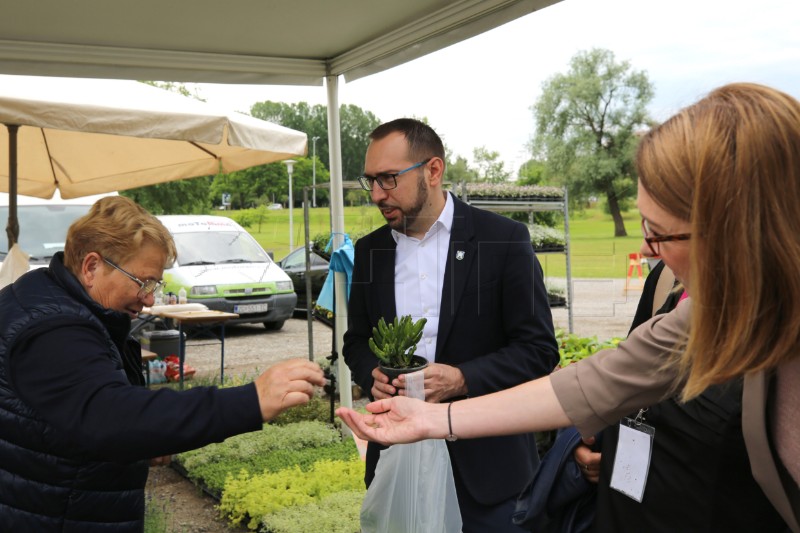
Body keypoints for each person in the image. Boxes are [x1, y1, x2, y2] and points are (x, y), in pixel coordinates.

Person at [337, 83, 800, 531]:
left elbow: (542, 352)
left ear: (740, 229)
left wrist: (457, 387)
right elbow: (597, 382)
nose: (647, 252)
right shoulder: (704, 311)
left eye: (659, 232)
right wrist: (430, 417)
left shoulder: (502, 239)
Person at [0, 195, 325, 532]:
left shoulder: (53, 302)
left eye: (155, 283)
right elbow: (110, 416)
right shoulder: (52, 329)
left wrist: (139, 442)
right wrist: (251, 399)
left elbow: (78, 416)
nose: (150, 298)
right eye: (143, 282)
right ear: (91, 266)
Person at [342, 118, 560, 531]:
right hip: (398, 461)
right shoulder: (370, 252)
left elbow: (538, 350)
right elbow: (355, 341)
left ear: (433, 170)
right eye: (369, 181)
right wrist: (371, 371)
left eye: (388, 179)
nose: (376, 195)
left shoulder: (503, 240)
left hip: (490, 473)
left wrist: (462, 378)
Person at [568, 260, 786, 532]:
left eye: (658, 230)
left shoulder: (779, 310)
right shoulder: (664, 277)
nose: (646, 248)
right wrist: (593, 437)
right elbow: (625, 380)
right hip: (624, 512)